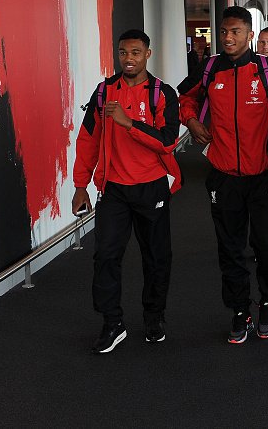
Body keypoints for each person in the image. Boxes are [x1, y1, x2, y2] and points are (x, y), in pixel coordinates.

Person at [177, 6, 268, 344]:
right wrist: (192, 121)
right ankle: (239, 310)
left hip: (264, 173)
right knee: (230, 248)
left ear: (250, 35)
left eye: (236, 32)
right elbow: (184, 97)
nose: (228, 38)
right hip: (224, 174)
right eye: (224, 31)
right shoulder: (210, 68)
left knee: (267, 245)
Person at [72, 29, 181, 353]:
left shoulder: (162, 93)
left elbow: (168, 141)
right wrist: (80, 185)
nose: (128, 59)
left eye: (135, 52)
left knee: (157, 258)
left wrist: (130, 124)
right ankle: (112, 323)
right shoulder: (104, 92)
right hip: (114, 190)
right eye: (123, 53)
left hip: (151, 187)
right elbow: (88, 139)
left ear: (147, 54)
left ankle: (154, 317)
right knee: (105, 256)